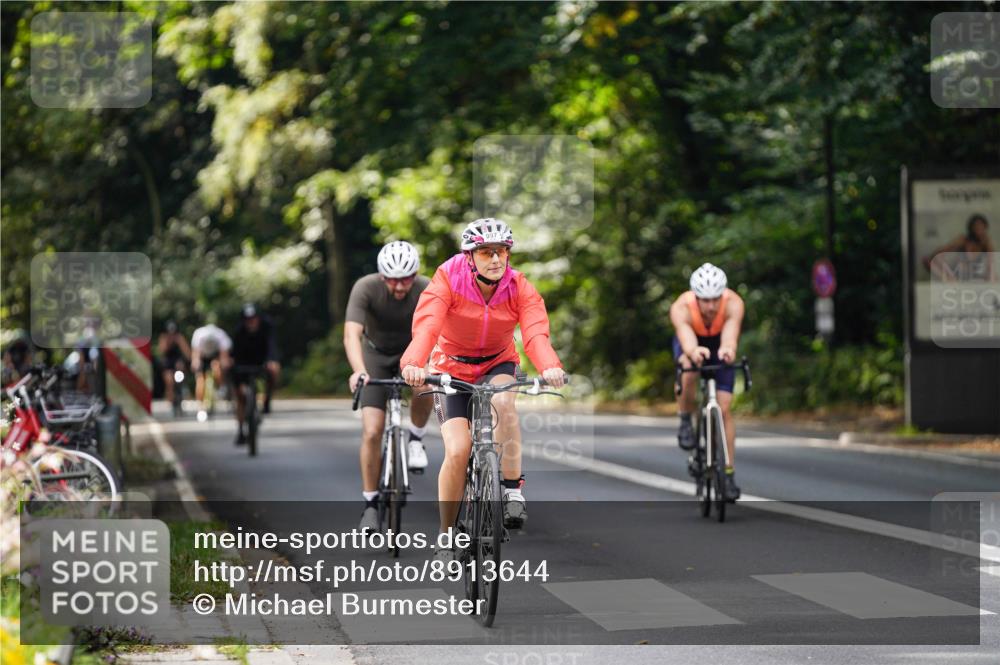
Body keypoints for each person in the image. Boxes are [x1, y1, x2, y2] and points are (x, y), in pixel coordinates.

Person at [400, 218, 567, 563]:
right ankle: (446, 536)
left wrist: (550, 365)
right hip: (450, 365)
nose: (496, 259)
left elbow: (535, 333)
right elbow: (428, 325)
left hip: (497, 362)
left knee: (504, 404)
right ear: (470, 256)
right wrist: (415, 362)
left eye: (502, 252)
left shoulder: (519, 286)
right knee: (458, 450)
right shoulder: (448, 277)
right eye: (487, 252)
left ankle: (510, 490)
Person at [344, 241, 434, 533]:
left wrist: (431, 364)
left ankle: (416, 439)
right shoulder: (365, 287)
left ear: (416, 274)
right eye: (393, 280)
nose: (399, 286)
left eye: (406, 279)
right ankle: (370, 505)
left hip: (413, 353)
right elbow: (351, 334)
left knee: (425, 384)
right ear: (382, 276)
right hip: (376, 355)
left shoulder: (427, 287)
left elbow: (440, 331)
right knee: (372, 430)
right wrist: (359, 370)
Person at [669, 263, 745, 501]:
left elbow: (730, 336)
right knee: (689, 371)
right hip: (690, 341)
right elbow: (687, 340)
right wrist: (693, 351)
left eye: (715, 299)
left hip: (719, 343)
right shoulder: (681, 307)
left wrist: (728, 351)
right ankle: (685, 418)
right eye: (705, 300)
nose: (711, 306)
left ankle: (728, 474)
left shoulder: (734, 303)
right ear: (696, 297)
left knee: (723, 409)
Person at [230, 303, 280, 445]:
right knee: (240, 397)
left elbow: (272, 346)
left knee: (275, 370)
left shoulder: (267, 327)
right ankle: (240, 430)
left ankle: (267, 400)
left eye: (253, 319)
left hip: (262, 360)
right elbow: (233, 353)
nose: (251, 322)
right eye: (248, 319)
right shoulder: (239, 331)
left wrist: (272, 361)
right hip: (243, 363)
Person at [923, 214, 995, 281]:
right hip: (956, 275)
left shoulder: (986, 243)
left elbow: (990, 264)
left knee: (994, 277)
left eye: (981, 226)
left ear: (985, 227)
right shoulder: (963, 240)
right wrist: (934, 257)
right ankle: (950, 280)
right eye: (976, 226)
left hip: (974, 276)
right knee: (927, 260)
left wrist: (988, 245)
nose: (978, 228)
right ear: (971, 228)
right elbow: (944, 249)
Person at [190, 319, 233, 421]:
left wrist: (224, 365)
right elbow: (196, 353)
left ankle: (221, 387)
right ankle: (200, 405)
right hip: (203, 356)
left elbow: (224, 355)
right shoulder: (199, 335)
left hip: (216, 355)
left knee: (217, 367)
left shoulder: (221, 336)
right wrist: (195, 362)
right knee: (200, 380)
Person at [157, 321, 191, 406]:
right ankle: (171, 399)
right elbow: (161, 351)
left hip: (178, 361)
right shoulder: (163, 337)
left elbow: (187, 352)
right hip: (167, 362)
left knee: (181, 370)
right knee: (169, 381)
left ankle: (183, 390)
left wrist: (190, 360)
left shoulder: (179, 337)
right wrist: (168, 342)